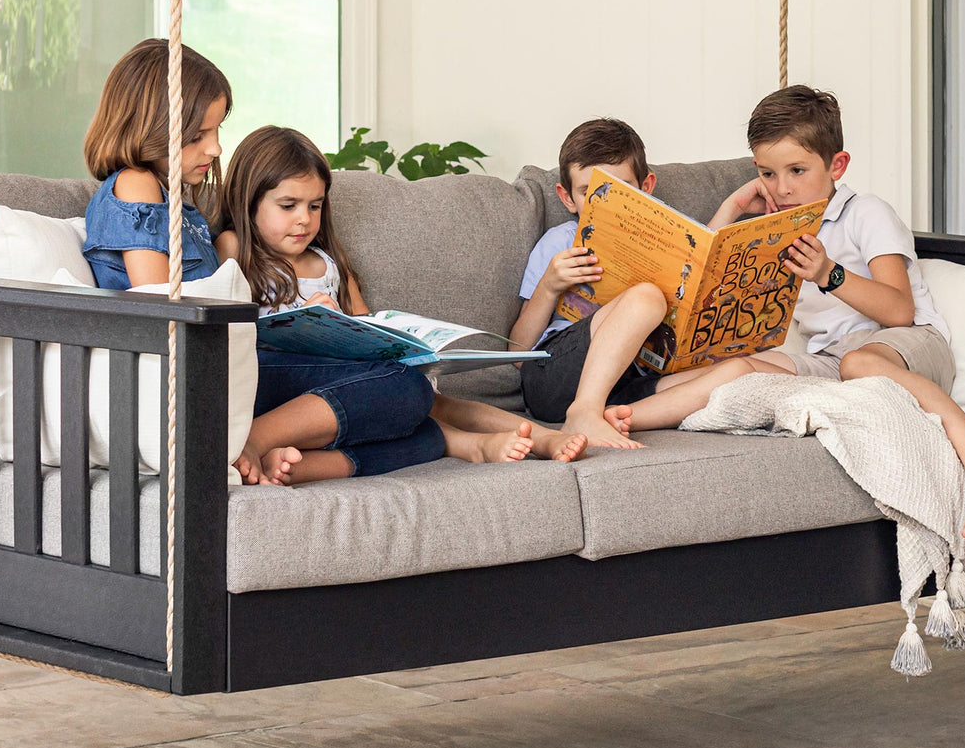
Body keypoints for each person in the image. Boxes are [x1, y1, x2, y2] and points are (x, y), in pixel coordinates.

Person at [617, 85, 965, 539]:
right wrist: (732, 209)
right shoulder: (775, 228)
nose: (782, 188)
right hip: (833, 360)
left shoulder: (865, 213)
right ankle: (623, 416)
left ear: (837, 165)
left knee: (859, 363)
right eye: (768, 174)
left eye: (797, 170)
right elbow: (694, 282)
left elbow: (899, 310)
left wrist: (829, 273)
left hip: (907, 347)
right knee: (737, 369)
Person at [81, 39, 442, 486]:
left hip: (231, 364)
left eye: (217, 131)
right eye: (197, 136)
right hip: (202, 373)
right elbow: (159, 309)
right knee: (405, 386)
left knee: (427, 436)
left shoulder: (177, 202)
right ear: (150, 127)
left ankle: (285, 460)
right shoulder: (137, 183)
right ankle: (249, 440)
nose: (215, 149)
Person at [214, 124, 588, 484]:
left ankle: (295, 465)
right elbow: (230, 337)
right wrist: (303, 322)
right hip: (287, 389)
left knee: (421, 423)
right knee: (409, 391)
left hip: (349, 386)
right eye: (288, 205)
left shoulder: (329, 261)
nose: (304, 219)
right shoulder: (235, 249)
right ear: (249, 202)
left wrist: (344, 326)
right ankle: (260, 440)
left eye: (315, 206)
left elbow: (367, 326)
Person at [511, 118, 673, 449]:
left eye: (621, 189)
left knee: (741, 370)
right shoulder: (561, 242)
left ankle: (615, 417)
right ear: (567, 197)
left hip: (627, 383)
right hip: (553, 377)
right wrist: (549, 286)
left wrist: (731, 209)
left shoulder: (666, 241)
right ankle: (583, 412)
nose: (608, 203)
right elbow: (517, 354)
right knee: (646, 297)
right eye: (590, 192)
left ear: (646, 186)